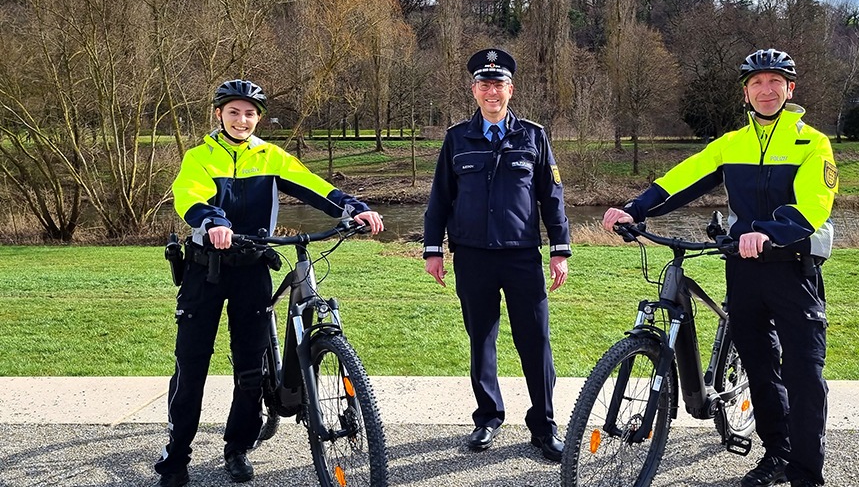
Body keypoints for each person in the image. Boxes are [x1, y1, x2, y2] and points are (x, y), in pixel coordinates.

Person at [602, 48, 836, 487]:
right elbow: (682, 179)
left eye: (775, 82)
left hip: (792, 267)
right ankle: (778, 456)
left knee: (804, 374)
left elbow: (814, 205)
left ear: (790, 88)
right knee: (761, 369)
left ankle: (807, 473)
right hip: (743, 269)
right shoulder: (731, 144)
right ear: (745, 93)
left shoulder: (812, 142)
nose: (766, 91)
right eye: (756, 83)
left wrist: (768, 231)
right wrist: (636, 209)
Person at [155, 79, 383, 487]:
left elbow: (312, 185)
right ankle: (176, 457)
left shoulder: (270, 155)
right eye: (233, 112)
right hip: (205, 269)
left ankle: (238, 447)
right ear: (219, 115)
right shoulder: (199, 157)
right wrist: (213, 221)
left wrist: (353, 207)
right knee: (192, 367)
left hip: (252, 266)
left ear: (258, 117)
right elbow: (189, 195)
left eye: (249, 113)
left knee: (249, 368)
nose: (241, 120)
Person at [422, 48, 571, 462]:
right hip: (472, 256)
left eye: (499, 84)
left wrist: (560, 249)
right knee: (481, 340)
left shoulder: (534, 135)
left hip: (522, 256)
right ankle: (488, 417)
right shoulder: (456, 138)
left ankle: (543, 425)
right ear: (474, 91)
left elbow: (551, 197)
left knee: (535, 341)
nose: (492, 91)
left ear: (511, 89)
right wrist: (433, 250)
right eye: (484, 84)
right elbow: (440, 199)